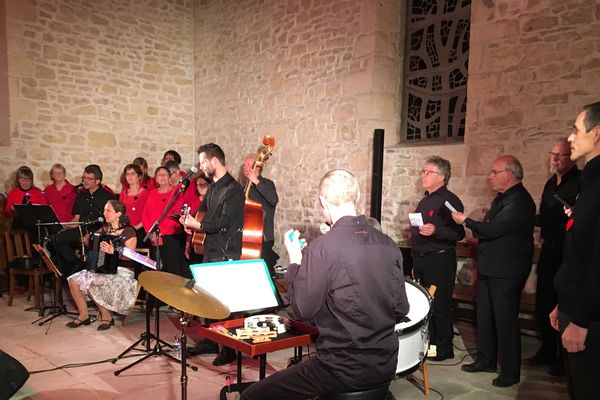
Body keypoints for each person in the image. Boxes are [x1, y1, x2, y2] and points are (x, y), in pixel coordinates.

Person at [240, 169, 409, 400]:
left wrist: (295, 262)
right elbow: (401, 309)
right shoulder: (388, 244)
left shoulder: (323, 247)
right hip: (385, 364)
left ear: (322, 201)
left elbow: (302, 311)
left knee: (252, 396)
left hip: (339, 368)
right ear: (356, 198)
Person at [452, 155, 535, 388]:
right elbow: (487, 227)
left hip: (507, 270)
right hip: (491, 267)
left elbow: (493, 229)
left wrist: (466, 221)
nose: (490, 176)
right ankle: (486, 360)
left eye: (494, 172)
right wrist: (479, 227)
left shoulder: (520, 201)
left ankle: (510, 372)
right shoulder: (502, 199)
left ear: (509, 174)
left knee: (505, 321)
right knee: (485, 317)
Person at [550, 101, 600, 400]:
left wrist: (580, 319)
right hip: (577, 306)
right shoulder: (589, 180)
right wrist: (563, 303)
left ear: (597, 133)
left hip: (591, 318)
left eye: (576, 129)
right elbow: (578, 251)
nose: (571, 138)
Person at [179, 143, 244, 366]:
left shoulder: (233, 189)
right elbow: (203, 213)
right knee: (207, 298)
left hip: (226, 251)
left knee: (222, 303)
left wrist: (199, 224)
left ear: (215, 161)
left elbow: (226, 222)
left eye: (203, 161)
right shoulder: (214, 187)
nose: (201, 166)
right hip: (211, 248)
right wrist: (190, 223)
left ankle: (228, 350)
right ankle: (210, 340)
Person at [528, 140, 580, 376]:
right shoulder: (550, 183)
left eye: (561, 155)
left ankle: (563, 358)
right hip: (549, 248)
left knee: (564, 302)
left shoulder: (579, 181)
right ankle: (547, 349)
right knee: (544, 302)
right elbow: (545, 216)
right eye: (553, 154)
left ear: (573, 157)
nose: (556, 159)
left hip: (568, 250)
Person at [411, 156, 465, 362]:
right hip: (422, 257)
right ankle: (430, 345)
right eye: (423, 172)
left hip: (440, 259)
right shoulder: (425, 200)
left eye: (427, 172)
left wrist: (436, 230)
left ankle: (443, 348)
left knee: (440, 305)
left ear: (442, 176)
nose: (423, 175)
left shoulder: (449, 200)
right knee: (426, 304)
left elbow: (458, 233)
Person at [66, 200, 138, 330]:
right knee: (73, 280)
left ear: (119, 213)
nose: (104, 213)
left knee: (94, 280)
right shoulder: (105, 228)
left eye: (108, 210)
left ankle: (107, 317)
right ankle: (83, 315)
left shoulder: (129, 231)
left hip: (123, 270)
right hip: (104, 268)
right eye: (104, 210)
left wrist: (114, 251)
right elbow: (95, 245)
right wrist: (88, 240)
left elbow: (131, 255)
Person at [53, 164, 114, 277]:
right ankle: (77, 265)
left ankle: (87, 272)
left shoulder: (107, 196)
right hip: (81, 230)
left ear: (98, 181)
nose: (85, 181)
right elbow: (76, 218)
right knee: (56, 238)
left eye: (88, 178)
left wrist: (92, 234)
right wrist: (63, 226)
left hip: (99, 232)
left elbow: (109, 223)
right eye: (84, 178)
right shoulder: (81, 194)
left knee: (93, 242)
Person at [141, 166, 188, 278]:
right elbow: (145, 215)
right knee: (158, 272)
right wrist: (151, 232)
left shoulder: (176, 193)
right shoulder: (151, 193)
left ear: (169, 177)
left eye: (165, 174)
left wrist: (160, 232)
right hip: (154, 238)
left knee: (173, 271)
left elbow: (176, 216)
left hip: (171, 237)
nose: (162, 177)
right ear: (156, 179)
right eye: (159, 175)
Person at [242, 154, 279, 272]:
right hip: (246, 237)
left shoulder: (267, 184)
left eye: (248, 164)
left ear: (257, 167)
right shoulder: (243, 188)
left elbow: (273, 200)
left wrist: (256, 181)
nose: (245, 167)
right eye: (244, 165)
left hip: (263, 238)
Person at [4, 166, 48, 232]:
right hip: (18, 224)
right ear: (18, 180)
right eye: (23, 180)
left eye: (28, 180)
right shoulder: (13, 193)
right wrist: (11, 209)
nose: (25, 183)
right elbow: (7, 213)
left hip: (34, 224)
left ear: (31, 181)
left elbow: (45, 210)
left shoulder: (38, 192)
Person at [181, 173, 212, 265]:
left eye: (204, 184)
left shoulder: (214, 203)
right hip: (195, 243)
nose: (201, 187)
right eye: (199, 184)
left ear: (210, 185)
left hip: (210, 245)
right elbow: (189, 227)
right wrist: (187, 245)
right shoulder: (194, 203)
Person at [119, 164, 149, 247]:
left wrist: (135, 228)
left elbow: (148, 215)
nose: (130, 176)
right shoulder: (123, 193)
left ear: (139, 176)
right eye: (127, 174)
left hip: (140, 230)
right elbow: (120, 213)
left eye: (133, 173)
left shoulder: (146, 193)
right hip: (125, 230)